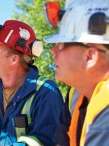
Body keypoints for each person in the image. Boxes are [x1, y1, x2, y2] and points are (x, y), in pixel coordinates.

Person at [44, 0, 109, 145]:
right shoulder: (80, 96)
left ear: (90, 56)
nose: (53, 51)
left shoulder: (105, 125)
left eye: (61, 45)